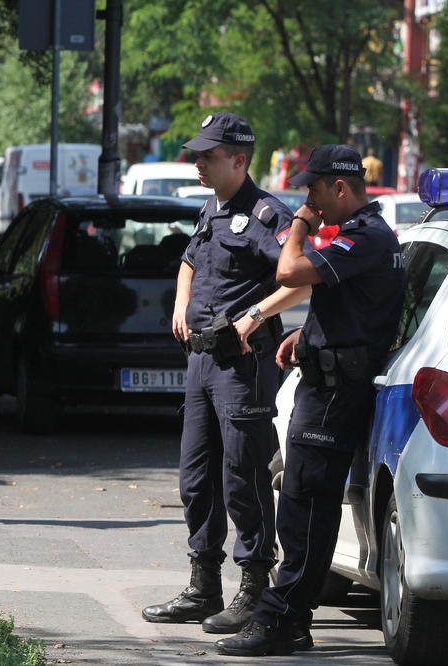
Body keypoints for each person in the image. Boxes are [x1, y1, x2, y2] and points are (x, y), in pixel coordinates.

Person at [215, 145, 405, 656]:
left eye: (313, 190)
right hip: (326, 383)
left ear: (339, 188)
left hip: (334, 396)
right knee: (303, 500)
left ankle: (283, 619)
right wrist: (309, 336)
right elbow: (356, 305)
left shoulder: (364, 237)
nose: (309, 200)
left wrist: (297, 221)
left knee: (305, 508)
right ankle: (289, 619)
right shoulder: (360, 238)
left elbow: (287, 271)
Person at [141, 113, 310, 634]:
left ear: (239, 160)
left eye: (208, 156)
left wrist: (255, 316)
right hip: (201, 362)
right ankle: (203, 585)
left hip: (243, 366)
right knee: (196, 478)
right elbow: (190, 260)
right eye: (197, 155)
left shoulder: (265, 215)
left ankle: (255, 587)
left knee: (243, 477)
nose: (197, 163)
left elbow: (304, 280)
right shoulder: (212, 209)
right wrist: (181, 301)